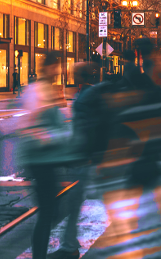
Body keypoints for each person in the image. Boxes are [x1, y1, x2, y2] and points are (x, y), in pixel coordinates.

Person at [21, 51, 77, 259]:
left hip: (48, 160)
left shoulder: (47, 90)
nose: (59, 71)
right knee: (47, 213)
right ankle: (39, 255)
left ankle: (40, 254)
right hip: (40, 161)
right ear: (47, 68)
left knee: (50, 211)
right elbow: (32, 129)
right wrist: (60, 135)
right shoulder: (36, 92)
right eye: (56, 66)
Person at [47, 62, 101, 259]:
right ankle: (70, 243)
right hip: (85, 156)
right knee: (74, 201)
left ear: (80, 76)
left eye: (74, 73)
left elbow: (86, 128)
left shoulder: (85, 98)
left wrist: (81, 154)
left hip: (82, 157)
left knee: (72, 201)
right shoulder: (89, 94)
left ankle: (69, 246)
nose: (71, 75)